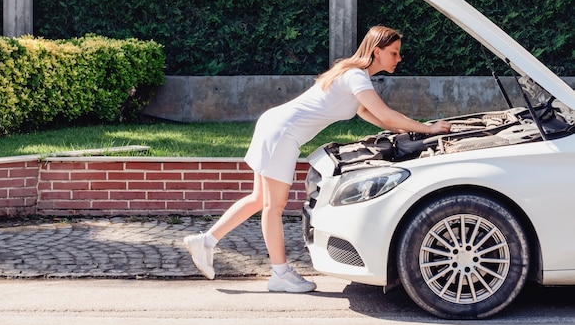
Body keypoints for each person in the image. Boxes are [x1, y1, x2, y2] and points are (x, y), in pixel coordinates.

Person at [183, 25, 451, 293]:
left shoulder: (351, 74)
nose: (399, 58)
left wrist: (410, 131)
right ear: (376, 51)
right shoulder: (356, 76)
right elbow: (386, 113)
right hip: (283, 134)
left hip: (274, 125)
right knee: (273, 206)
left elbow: (375, 116)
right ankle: (280, 274)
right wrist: (429, 129)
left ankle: (205, 240)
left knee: (259, 200)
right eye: (394, 52)